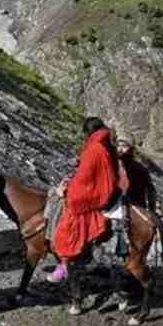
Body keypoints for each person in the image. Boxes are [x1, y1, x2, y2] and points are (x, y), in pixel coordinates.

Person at [48, 117, 119, 283]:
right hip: (106, 190)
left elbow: (84, 178)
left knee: (60, 206)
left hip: (92, 193)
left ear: (88, 132)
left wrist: (67, 188)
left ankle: (64, 261)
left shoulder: (94, 148)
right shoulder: (105, 145)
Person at [116, 136, 155, 211]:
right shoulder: (112, 165)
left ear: (131, 149)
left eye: (124, 146)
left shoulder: (140, 169)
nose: (120, 149)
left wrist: (151, 211)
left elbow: (151, 191)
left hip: (136, 208)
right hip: (116, 207)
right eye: (118, 145)